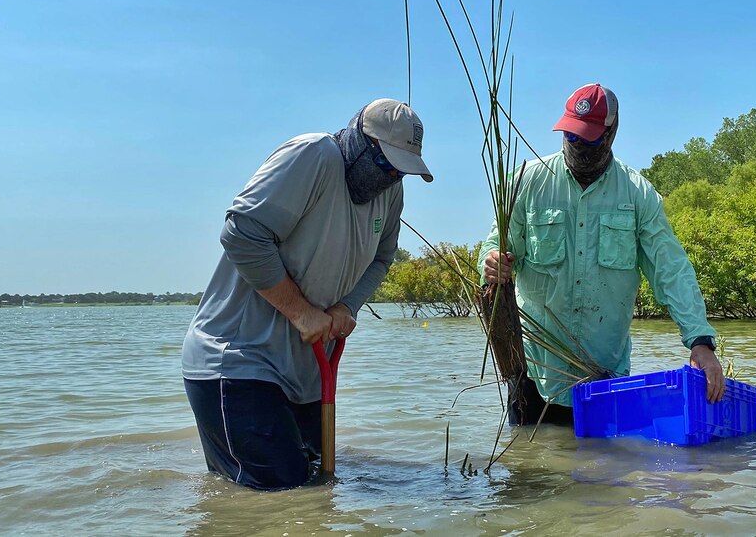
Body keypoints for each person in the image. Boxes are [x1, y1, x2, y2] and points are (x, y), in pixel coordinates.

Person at [182, 98, 433, 489]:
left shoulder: (391, 191)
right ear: (357, 142)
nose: (389, 178)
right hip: (238, 358)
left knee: (317, 490)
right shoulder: (313, 155)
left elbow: (381, 259)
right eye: (385, 164)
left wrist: (347, 305)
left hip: (308, 370)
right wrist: (301, 313)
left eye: (401, 171)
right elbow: (242, 234)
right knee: (280, 489)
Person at [479, 83, 724, 426]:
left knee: (602, 474)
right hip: (534, 373)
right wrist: (491, 262)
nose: (578, 145)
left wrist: (700, 341)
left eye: (589, 139)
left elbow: (670, 268)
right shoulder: (527, 181)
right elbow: (494, 246)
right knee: (529, 473)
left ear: (611, 134)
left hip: (604, 375)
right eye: (572, 136)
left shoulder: (638, 194)